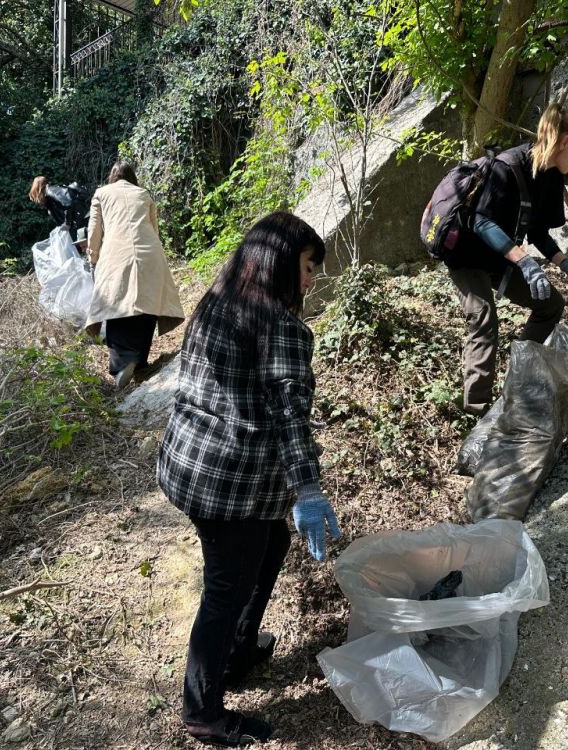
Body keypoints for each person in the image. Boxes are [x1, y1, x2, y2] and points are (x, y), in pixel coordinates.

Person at [157, 211, 341, 747]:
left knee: (273, 542)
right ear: (282, 262)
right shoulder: (279, 325)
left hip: (191, 467)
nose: (311, 279)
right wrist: (308, 489)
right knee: (224, 591)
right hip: (230, 484)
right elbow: (290, 414)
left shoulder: (218, 303)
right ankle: (203, 711)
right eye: (308, 267)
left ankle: (238, 652)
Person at [445, 103, 568, 417]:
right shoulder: (506, 167)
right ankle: (476, 412)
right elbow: (480, 222)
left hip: (500, 255)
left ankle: (515, 382)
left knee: (550, 305)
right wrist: (524, 261)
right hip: (466, 252)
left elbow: (538, 233)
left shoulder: (551, 176)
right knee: (484, 320)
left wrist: (567, 265)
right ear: (565, 142)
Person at [85, 161, 185, 389]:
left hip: (115, 253)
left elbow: (94, 230)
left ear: (112, 176)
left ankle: (122, 363)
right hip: (150, 252)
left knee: (116, 303)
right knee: (147, 303)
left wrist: (93, 256)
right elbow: (154, 228)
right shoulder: (143, 193)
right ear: (133, 176)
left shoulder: (101, 193)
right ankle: (139, 362)